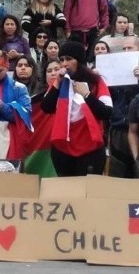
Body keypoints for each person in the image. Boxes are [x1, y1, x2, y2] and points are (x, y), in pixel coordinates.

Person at [40, 41, 112, 176]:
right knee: (67, 193)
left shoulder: (96, 81)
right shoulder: (60, 81)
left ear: (79, 61)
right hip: (62, 147)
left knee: (87, 193)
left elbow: (106, 112)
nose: (64, 64)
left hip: (91, 147)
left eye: (69, 59)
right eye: (61, 59)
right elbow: (46, 108)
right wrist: (56, 83)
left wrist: (87, 94)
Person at [106, 36, 139, 178]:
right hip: (119, 128)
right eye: (124, 48)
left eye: (130, 48)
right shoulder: (115, 68)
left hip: (137, 129)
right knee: (118, 174)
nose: (126, 51)